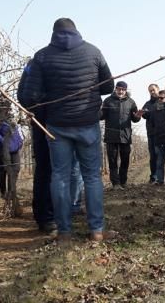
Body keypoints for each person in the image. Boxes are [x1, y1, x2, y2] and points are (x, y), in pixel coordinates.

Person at [19, 17, 114, 242]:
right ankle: (97, 230)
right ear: (76, 30)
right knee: (92, 177)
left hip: (57, 126)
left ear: (53, 32)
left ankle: (64, 232)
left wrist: (52, 99)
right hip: (88, 122)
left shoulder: (42, 57)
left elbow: (29, 96)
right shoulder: (94, 52)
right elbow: (108, 86)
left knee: (59, 177)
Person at [17, 59, 55, 233]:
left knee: (44, 169)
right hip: (50, 122)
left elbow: (21, 95)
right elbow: (24, 95)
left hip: (41, 121)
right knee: (50, 169)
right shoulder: (40, 62)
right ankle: (47, 216)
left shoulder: (34, 62)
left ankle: (44, 216)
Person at [100, 81, 141, 189]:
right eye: (119, 89)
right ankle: (115, 184)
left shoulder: (131, 102)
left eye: (123, 90)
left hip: (125, 136)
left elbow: (135, 119)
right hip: (111, 135)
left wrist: (138, 116)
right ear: (115, 89)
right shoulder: (108, 101)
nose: (121, 91)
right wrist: (96, 110)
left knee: (125, 159)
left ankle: (123, 182)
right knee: (112, 160)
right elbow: (101, 116)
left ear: (126, 90)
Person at [0, 101, 23, 198]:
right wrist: (5, 143)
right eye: (5, 107)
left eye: (8, 107)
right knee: (3, 170)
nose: (8, 109)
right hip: (1, 149)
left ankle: (11, 192)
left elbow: (17, 132)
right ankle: (3, 193)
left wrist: (19, 142)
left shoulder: (11, 118)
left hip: (14, 149)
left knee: (16, 169)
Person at [141, 84, 160, 184]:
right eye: (150, 91)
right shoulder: (147, 104)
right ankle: (154, 177)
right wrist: (142, 113)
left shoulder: (164, 101)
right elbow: (143, 114)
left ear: (158, 89)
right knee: (153, 156)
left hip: (163, 134)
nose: (152, 92)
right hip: (151, 134)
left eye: (153, 90)